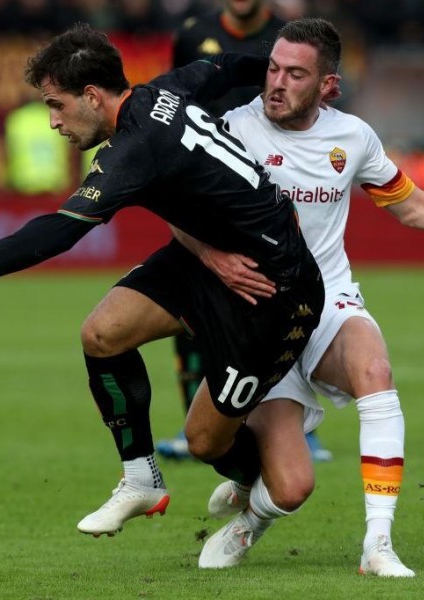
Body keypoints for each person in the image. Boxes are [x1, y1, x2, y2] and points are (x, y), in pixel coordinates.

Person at [0, 23, 325, 539]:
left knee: (208, 444)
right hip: (210, 261)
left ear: (92, 96)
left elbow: (58, 232)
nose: (53, 121)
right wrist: (269, 72)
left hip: (273, 293)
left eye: (57, 105)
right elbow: (222, 68)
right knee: (102, 333)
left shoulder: (133, 150)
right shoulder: (163, 91)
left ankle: (257, 489)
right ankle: (141, 479)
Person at [174, 18, 424, 574]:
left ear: (328, 85)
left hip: (328, 298)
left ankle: (377, 546)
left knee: (374, 368)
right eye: (273, 69)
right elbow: (177, 207)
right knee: (285, 484)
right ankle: (255, 511)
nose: (276, 83)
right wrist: (213, 263)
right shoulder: (231, 131)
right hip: (257, 314)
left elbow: (411, 204)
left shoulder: (353, 138)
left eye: (295, 74)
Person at [158, 0, 332, 463]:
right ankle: (193, 418)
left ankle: (296, 425)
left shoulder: (287, 37)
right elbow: (177, 99)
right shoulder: (192, 34)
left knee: (286, 300)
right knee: (193, 303)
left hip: (275, 176)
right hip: (210, 181)